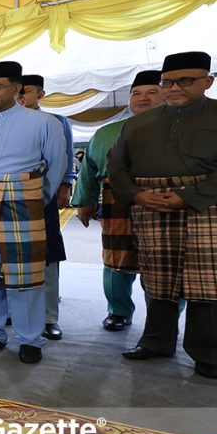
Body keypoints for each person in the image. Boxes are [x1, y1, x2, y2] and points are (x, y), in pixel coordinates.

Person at [108, 51, 217, 379]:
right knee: (157, 281)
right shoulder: (136, 123)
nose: (175, 88)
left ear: (207, 81)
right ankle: (156, 342)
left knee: (207, 286)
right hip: (151, 205)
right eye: (168, 81)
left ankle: (208, 353)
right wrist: (137, 195)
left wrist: (188, 197)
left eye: (186, 80)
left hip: (207, 207)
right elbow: (117, 166)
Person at [0, 62, 66, 365]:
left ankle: (30, 339)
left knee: (26, 273)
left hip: (24, 199)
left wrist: (38, 196)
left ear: (16, 89)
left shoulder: (43, 122)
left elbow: (57, 163)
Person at [71, 70, 164, 331]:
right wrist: (85, 203)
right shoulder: (106, 133)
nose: (142, 98)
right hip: (116, 204)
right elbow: (89, 171)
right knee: (115, 262)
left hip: (166, 204)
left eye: (151, 92)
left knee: (164, 264)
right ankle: (118, 311)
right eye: (136, 93)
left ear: (166, 95)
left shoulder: (177, 129)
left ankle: (162, 318)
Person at [21, 74, 76, 341]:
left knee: (47, 254)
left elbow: (64, 156)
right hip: (5, 198)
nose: (21, 95)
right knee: (8, 256)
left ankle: (48, 317)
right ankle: (14, 311)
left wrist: (65, 185)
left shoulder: (56, 122)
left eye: (27, 91)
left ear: (41, 94)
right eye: (17, 90)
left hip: (43, 195)